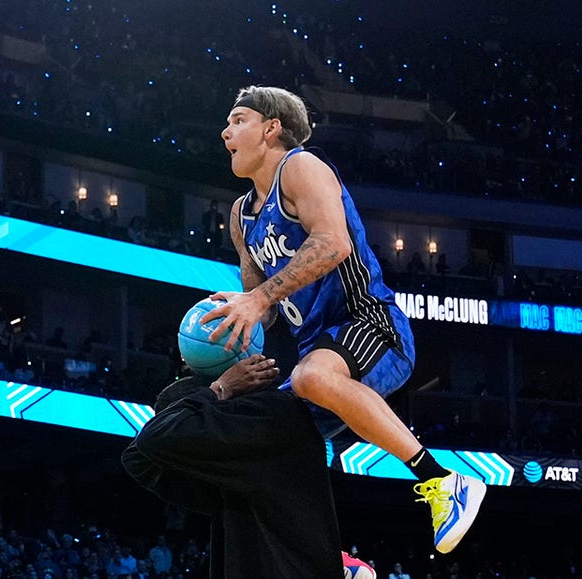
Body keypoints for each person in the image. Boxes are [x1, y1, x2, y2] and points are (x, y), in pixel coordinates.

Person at [207, 85, 485, 553]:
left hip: (370, 321)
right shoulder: (240, 215)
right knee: (256, 440)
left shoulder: (300, 166)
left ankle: (443, 481)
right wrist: (239, 311)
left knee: (311, 376)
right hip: (318, 350)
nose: (225, 131)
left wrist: (256, 301)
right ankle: (334, 561)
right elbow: (266, 307)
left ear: (272, 128)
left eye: (238, 120)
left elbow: (333, 242)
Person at [122, 354, 343, 578]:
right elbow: (136, 457)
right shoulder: (232, 473)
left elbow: (154, 438)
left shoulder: (273, 414)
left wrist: (219, 388)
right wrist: (216, 390)